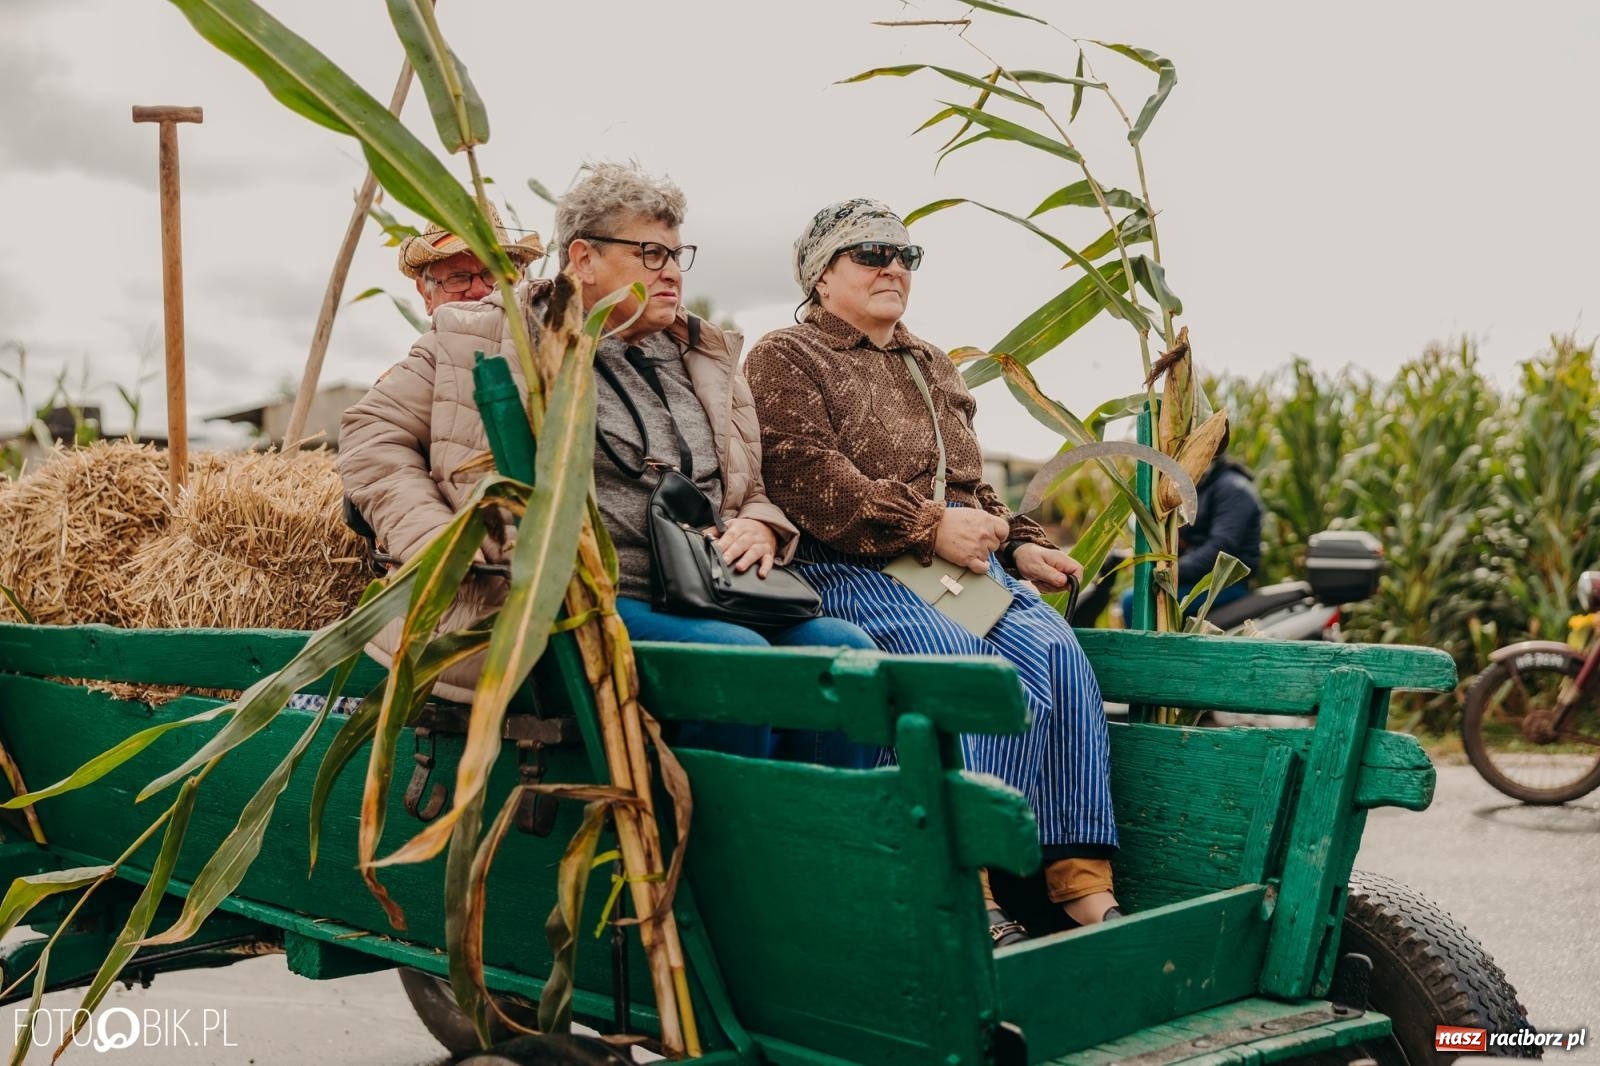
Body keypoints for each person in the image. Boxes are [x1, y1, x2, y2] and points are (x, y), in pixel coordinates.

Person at [336, 166, 874, 767]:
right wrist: (446, 540)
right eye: (649, 253)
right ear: (584, 258)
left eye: (677, 253)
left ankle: (828, 848)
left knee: (847, 656)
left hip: (711, 592)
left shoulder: (704, 358)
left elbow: (748, 490)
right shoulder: (486, 335)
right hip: (570, 599)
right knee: (735, 658)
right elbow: (369, 438)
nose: (671, 270)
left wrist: (759, 524)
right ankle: (716, 856)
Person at [744, 198, 1121, 943]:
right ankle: (958, 881)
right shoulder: (785, 356)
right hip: (852, 564)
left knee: (1056, 653)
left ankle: (1076, 877)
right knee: (959, 666)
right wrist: (925, 526)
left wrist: (1015, 545)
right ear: (820, 276)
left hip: (948, 568)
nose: (894, 266)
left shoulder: (930, 362)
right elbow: (800, 474)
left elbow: (971, 487)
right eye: (871, 253)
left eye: (905, 255)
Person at [1120, 435, 1263, 624]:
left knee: (1135, 600)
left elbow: (1220, 550)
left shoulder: (1233, 489)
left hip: (1223, 584)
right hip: (1199, 578)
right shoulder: (1202, 486)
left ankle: (1150, 654)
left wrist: (1168, 570)